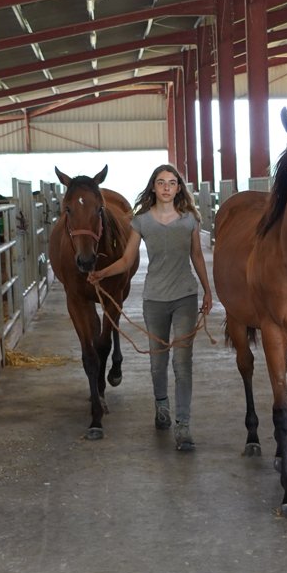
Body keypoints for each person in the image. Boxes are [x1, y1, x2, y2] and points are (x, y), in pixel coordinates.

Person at [90, 164, 213, 451]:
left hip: (185, 297)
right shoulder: (141, 221)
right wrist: (101, 273)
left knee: (182, 363)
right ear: (154, 187)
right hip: (154, 300)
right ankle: (162, 406)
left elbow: (197, 255)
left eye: (172, 182)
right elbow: (126, 260)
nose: (166, 187)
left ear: (179, 188)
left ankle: (183, 426)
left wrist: (207, 291)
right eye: (161, 182)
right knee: (158, 363)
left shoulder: (190, 220)